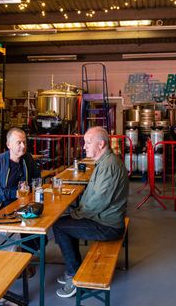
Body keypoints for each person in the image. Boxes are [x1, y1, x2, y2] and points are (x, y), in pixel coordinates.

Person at [52, 126, 129, 298]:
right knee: (64, 223)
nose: (84, 146)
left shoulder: (109, 166)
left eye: (88, 142)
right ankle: (74, 268)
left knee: (59, 226)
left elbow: (99, 201)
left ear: (101, 144)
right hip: (105, 219)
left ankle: (74, 275)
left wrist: (76, 214)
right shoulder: (105, 162)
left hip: (108, 226)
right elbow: (94, 197)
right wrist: (76, 212)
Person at [0, 127, 40, 208]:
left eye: (24, 142)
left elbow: (37, 179)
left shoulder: (28, 158)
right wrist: (14, 193)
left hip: (26, 203)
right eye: (19, 142)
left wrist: (31, 188)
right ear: (8, 145)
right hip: (4, 206)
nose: (23, 146)